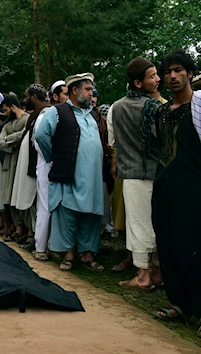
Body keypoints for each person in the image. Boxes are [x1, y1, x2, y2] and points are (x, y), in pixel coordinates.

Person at [35, 73, 105, 272]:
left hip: (92, 177)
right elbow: (41, 135)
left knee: (90, 215)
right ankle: (67, 255)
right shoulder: (57, 111)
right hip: (70, 174)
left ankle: (88, 254)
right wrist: (53, 157)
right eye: (88, 89)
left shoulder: (92, 114)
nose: (91, 94)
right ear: (75, 90)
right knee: (67, 214)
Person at [152, 50, 201, 327]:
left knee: (193, 248)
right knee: (168, 245)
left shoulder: (199, 107)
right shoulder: (162, 111)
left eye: (178, 70)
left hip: (193, 191)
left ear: (190, 73)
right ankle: (181, 304)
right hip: (165, 189)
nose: (172, 76)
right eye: (168, 71)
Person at [107, 56, 162, 290]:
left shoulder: (115, 108)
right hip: (155, 172)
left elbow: (113, 142)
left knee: (138, 224)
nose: (158, 79)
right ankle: (152, 274)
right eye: (152, 76)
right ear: (138, 83)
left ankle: (143, 274)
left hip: (130, 174)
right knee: (156, 223)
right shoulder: (155, 107)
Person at [13, 84, 49, 253]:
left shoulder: (46, 114)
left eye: (27, 97)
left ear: (34, 97)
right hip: (32, 166)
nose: (25, 100)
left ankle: (38, 240)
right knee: (32, 204)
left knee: (38, 203)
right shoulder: (35, 116)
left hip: (40, 166)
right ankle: (33, 236)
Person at [0, 95, 30, 242]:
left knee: (21, 196)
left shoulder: (28, 119)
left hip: (22, 163)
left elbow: (26, 133)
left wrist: (9, 139)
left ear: (12, 107)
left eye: (5, 110)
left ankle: (27, 230)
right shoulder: (6, 125)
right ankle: (17, 229)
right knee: (8, 197)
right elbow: (0, 144)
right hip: (9, 163)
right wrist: (14, 142)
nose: (5, 114)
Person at [27, 85, 53, 260]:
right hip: (47, 164)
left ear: (35, 97)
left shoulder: (44, 114)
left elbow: (39, 140)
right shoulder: (48, 113)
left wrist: (51, 158)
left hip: (46, 164)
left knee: (44, 206)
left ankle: (41, 247)